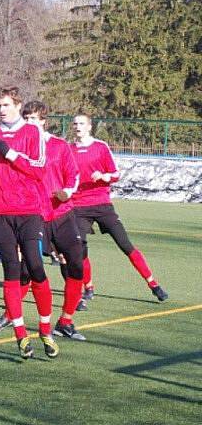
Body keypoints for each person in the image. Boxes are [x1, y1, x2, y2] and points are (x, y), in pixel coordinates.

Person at [0, 101, 87, 341]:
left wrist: (67, 192)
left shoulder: (59, 146)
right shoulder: (17, 143)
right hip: (34, 214)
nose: (29, 123)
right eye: (26, 118)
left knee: (76, 264)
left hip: (61, 213)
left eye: (34, 119)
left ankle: (66, 321)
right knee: (26, 270)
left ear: (43, 121)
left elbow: (73, 176)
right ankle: (10, 315)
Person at [0, 86, 58, 359]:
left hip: (28, 207)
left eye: (6, 105)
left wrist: (10, 155)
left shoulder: (32, 132)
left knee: (34, 264)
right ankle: (20, 334)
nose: (1, 110)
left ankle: (45, 329)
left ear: (18, 106)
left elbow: (40, 168)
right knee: (10, 268)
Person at [70, 113, 168, 307]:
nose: (78, 126)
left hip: (102, 205)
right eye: (75, 124)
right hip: (78, 207)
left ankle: (154, 284)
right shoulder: (68, 149)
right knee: (79, 249)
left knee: (125, 244)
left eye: (82, 123)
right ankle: (88, 287)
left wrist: (104, 177)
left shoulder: (100, 147)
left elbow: (115, 174)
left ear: (90, 127)